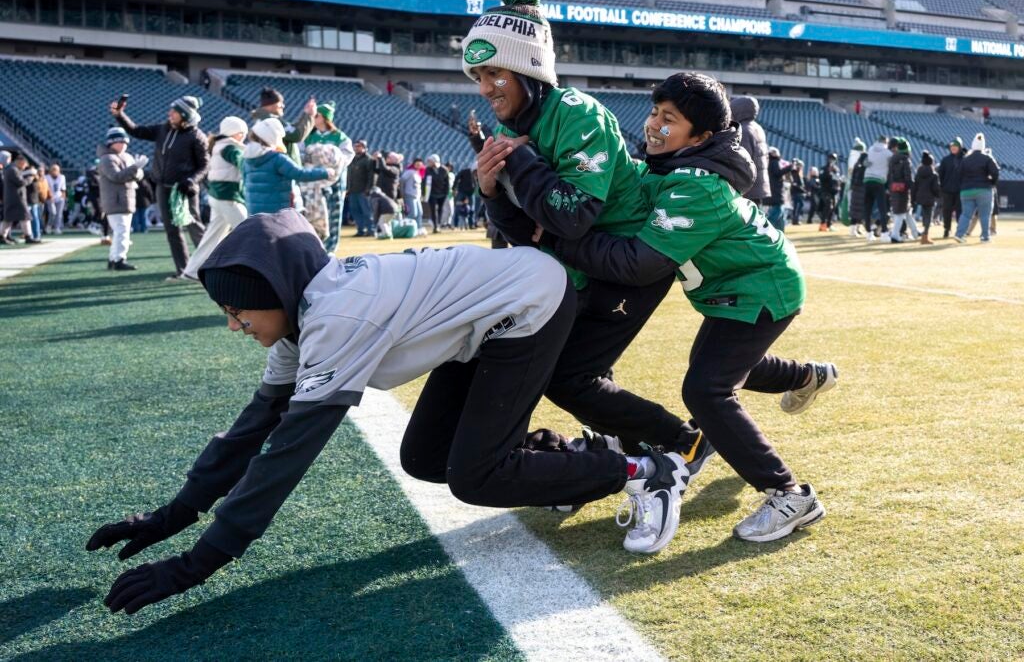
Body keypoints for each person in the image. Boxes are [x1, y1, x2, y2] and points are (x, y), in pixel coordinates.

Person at [85, 210, 693, 616]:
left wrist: (197, 564)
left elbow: (286, 457)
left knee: (476, 476)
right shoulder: (303, 319)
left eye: (240, 311)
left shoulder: (337, 317)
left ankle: (645, 471)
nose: (234, 324)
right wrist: (173, 516)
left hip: (529, 303)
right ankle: (576, 458)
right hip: (481, 320)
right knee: (425, 458)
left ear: (275, 293)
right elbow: (253, 428)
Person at [545, 72, 832, 543]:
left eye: (670, 119)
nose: (654, 125)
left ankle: (790, 494)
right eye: (655, 112)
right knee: (727, 369)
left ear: (700, 137)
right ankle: (806, 376)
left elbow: (640, 263)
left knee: (707, 389)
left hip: (761, 289)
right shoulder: (669, 168)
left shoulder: (696, 185)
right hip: (732, 291)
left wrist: (559, 236)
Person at [466, 0, 708, 470]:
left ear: (528, 69)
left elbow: (570, 217)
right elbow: (524, 228)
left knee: (570, 377)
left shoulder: (577, 114)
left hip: (628, 258)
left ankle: (684, 442)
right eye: (478, 75)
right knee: (572, 372)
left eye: (495, 73)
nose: (485, 87)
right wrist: (491, 191)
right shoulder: (509, 129)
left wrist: (525, 165)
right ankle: (634, 452)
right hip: (580, 266)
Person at [111, 95, 209, 280]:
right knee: (172, 231)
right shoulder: (163, 129)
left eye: (174, 111)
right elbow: (136, 131)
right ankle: (184, 271)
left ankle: (212, 265)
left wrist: (191, 180)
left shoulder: (196, 136)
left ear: (184, 114)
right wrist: (119, 115)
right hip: (163, 188)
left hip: (184, 190)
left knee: (194, 226)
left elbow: (204, 165)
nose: (169, 114)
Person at [182, 117, 249, 280]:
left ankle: (191, 271)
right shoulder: (231, 148)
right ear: (238, 134)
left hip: (218, 196)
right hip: (228, 197)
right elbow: (244, 166)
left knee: (211, 236)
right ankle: (253, 268)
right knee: (250, 230)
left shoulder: (219, 146)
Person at [243, 118, 331, 215]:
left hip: (254, 212)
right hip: (279, 212)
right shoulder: (277, 158)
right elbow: (300, 174)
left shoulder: (246, 159)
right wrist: (325, 172)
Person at [305, 101, 354, 251]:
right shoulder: (308, 137)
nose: (314, 117)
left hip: (335, 181)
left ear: (325, 118)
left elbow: (347, 156)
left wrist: (334, 167)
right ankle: (316, 246)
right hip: (315, 182)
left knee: (334, 214)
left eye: (317, 115)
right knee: (315, 214)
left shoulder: (340, 137)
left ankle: (331, 248)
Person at [98, 127, 146, 271]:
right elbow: (116, 176)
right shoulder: (106, 159)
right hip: (115, 200)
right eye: (120, 141)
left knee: (122, 231)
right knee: (122, 231)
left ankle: (113, 259)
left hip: (126, 198)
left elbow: (140, 175)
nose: (123, 144)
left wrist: (135, 170)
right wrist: (134, 169)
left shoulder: (127, 156)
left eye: (125, 141)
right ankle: (119, 259)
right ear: (111, 143)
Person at [954, 133, 998, 244]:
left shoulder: (966, 159)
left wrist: (964, 185)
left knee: (966, 214)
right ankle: (985, 236)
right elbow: (995, 171)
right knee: (985, 214)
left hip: (966, 191)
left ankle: (959, 234)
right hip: (984, 189)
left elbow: (958, 174)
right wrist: (992, 182)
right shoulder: (987, 158)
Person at [730, 95, 769, 207]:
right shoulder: (757, 128)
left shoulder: (744, 130)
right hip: (758, 185)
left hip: (748, 187)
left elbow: (743, 161)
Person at [0, 153, 41, 245]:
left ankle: (2, 236)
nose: (25, 166)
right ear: (20, 162)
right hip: (17, 198)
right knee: (25, 217)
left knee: (8, 219)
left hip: (12, 198)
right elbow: (21, 182)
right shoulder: (13, 170)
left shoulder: (10, 169)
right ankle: (28, 236)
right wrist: (30, 178)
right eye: (24, 164)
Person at [886, 138, 917, 243]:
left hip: (893, 189)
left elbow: (889, 176)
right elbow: (908, 178)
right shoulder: (906, 160)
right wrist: (912, 188)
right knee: (900, 214)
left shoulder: (892, 160)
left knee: (906, 213)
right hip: (903, 190)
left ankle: (915, 232)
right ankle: (895, 235)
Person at [345, 139, 376, 237]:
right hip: (353, 190)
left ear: (364, 147)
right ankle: (360, 230)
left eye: (359, 146)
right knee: (355, 211)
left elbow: (372, 176)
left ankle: (371, 230)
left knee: (367, 211)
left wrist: (368, 189)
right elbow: (349, 176)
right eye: (355, 146)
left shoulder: (368, 159)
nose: (356, 148)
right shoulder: (352, 159)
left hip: (363, 191)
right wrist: (348, 188)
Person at [863, 135, 891, 240]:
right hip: (879, 180)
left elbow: (867, 163)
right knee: (882, 208)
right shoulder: (887, 152)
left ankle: (868, 233)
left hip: (867, 179)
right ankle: (884, 232)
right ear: (885, 142)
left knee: (868, 208)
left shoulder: (870, 149)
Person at [912, 151, 940, 245]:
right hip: (929, 198)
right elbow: (935, 188)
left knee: (925, 215)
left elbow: (915, 187)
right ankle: (925, 236)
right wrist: (939, 195)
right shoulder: (933, 175)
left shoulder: (918, 174)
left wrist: (913, 198)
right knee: (928, 216)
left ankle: (924, 235)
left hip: (920, 197)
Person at [938, 137, 963, 239]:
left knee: (960, 211)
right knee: (946, 211)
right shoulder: (945, 160)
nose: (953, 148)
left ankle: (959, 230)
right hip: (947, 190)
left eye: (955, 146)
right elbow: (940, 174)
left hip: (960, 191)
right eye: (952, 146)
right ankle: (946, 229)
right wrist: (943, 187)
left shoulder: (964, 160)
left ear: (960, 147)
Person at [845, 138, 866, 236]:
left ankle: (856, 229)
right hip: (859, 189)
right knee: (857, 210)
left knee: (855, 209)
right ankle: (854, 229)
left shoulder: (854, 162)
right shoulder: (860, 165)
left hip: (854, 188)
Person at [765, 147, 789, 231]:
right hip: (776, 193)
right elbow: (778, 173)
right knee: (776, 214)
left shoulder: (769, 162)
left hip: (774, 192)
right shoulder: (774, 162)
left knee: (781, 215)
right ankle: (766, 230)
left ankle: (780, 233)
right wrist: (789, 167)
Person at [423, 154, 449, 234]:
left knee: (440, 210)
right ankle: (435, 226)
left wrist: (445, 192)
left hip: (442, 194)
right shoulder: (427, 170)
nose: (428, 162)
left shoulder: (444, 170)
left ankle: (439, 224)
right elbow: (425, 182)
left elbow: (447, 183)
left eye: (430, 161)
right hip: (432, 193)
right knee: (433, 210)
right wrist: (424, 193)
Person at [818, 153, 842, 232]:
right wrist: (828, 172)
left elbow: (837, 179)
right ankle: (823, 224)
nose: (832, 160)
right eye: (831, 158)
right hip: (826, 191)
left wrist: (839, 185)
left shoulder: (836, 169)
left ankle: (829, 224)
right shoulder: (824, 168)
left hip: (834, 192)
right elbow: (821, 178)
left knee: (833, 208)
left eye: (833, 159)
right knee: (828, 206)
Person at [400, 158, 424, 231]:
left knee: (420, 213)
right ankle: (407, 228)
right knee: (412, 213)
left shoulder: (418, 173)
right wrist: (402, 193)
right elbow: (402, 180)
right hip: (409, 195)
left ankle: (418, 228)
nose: (418, 166)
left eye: (420, 164)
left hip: (417, 197)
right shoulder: (409, 172)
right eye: (417, 164)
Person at [45, 164, 67, 235]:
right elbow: (46, 188)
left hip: (59, 197)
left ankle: (57, 228)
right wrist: (50, 196)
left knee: (59, 214)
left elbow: (63, 188)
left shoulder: (62, 177)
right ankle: (49, 226)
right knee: (52, 213)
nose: (54, 171)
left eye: (56, 170)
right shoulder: (47, 177)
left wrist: (63, 197)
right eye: (53, 170)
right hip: (50, 197)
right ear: (50, 171)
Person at [788, 159, 805, 226]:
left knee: (799, 206)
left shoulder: (799, 173)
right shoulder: (794, 173)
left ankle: (796, 219)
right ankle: (795, 220)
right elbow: (795, 184)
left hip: (799, 193)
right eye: (800, 165)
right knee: (796, 206)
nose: (801, 167)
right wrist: (803, 190)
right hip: (796, 193)